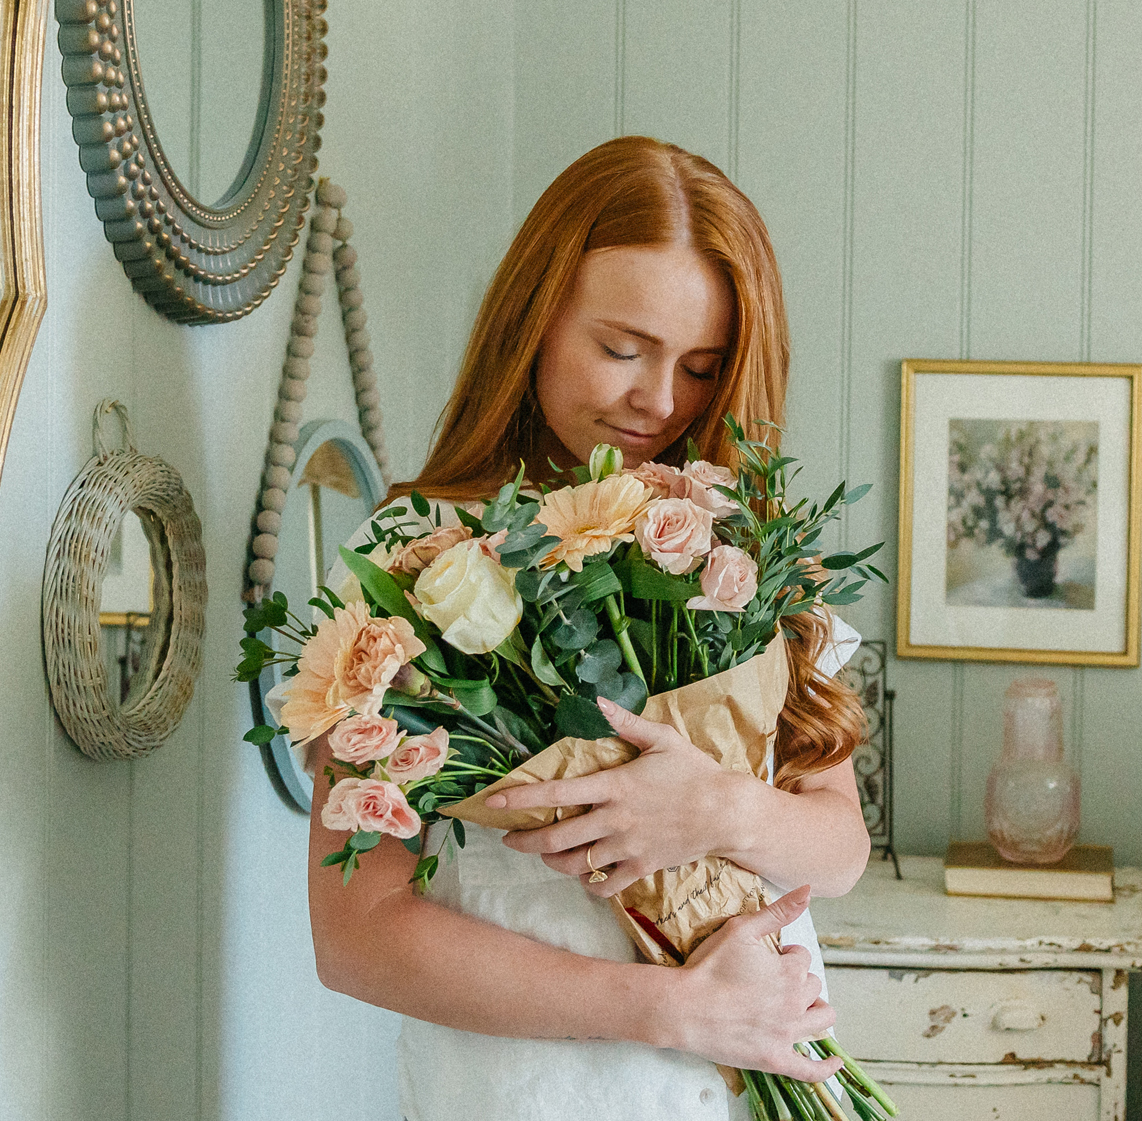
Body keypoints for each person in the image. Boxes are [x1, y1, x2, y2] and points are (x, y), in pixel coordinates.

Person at [310, 136, 873, 1120]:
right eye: (621, 349)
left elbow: (838, 848)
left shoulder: (739, 544)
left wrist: (716, 809)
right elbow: (358, 934)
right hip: (529, 1092)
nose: (658, 400)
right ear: (534, 321)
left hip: (751, 1074)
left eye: (700, 366)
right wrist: (673, 1009)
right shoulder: (414, 555)